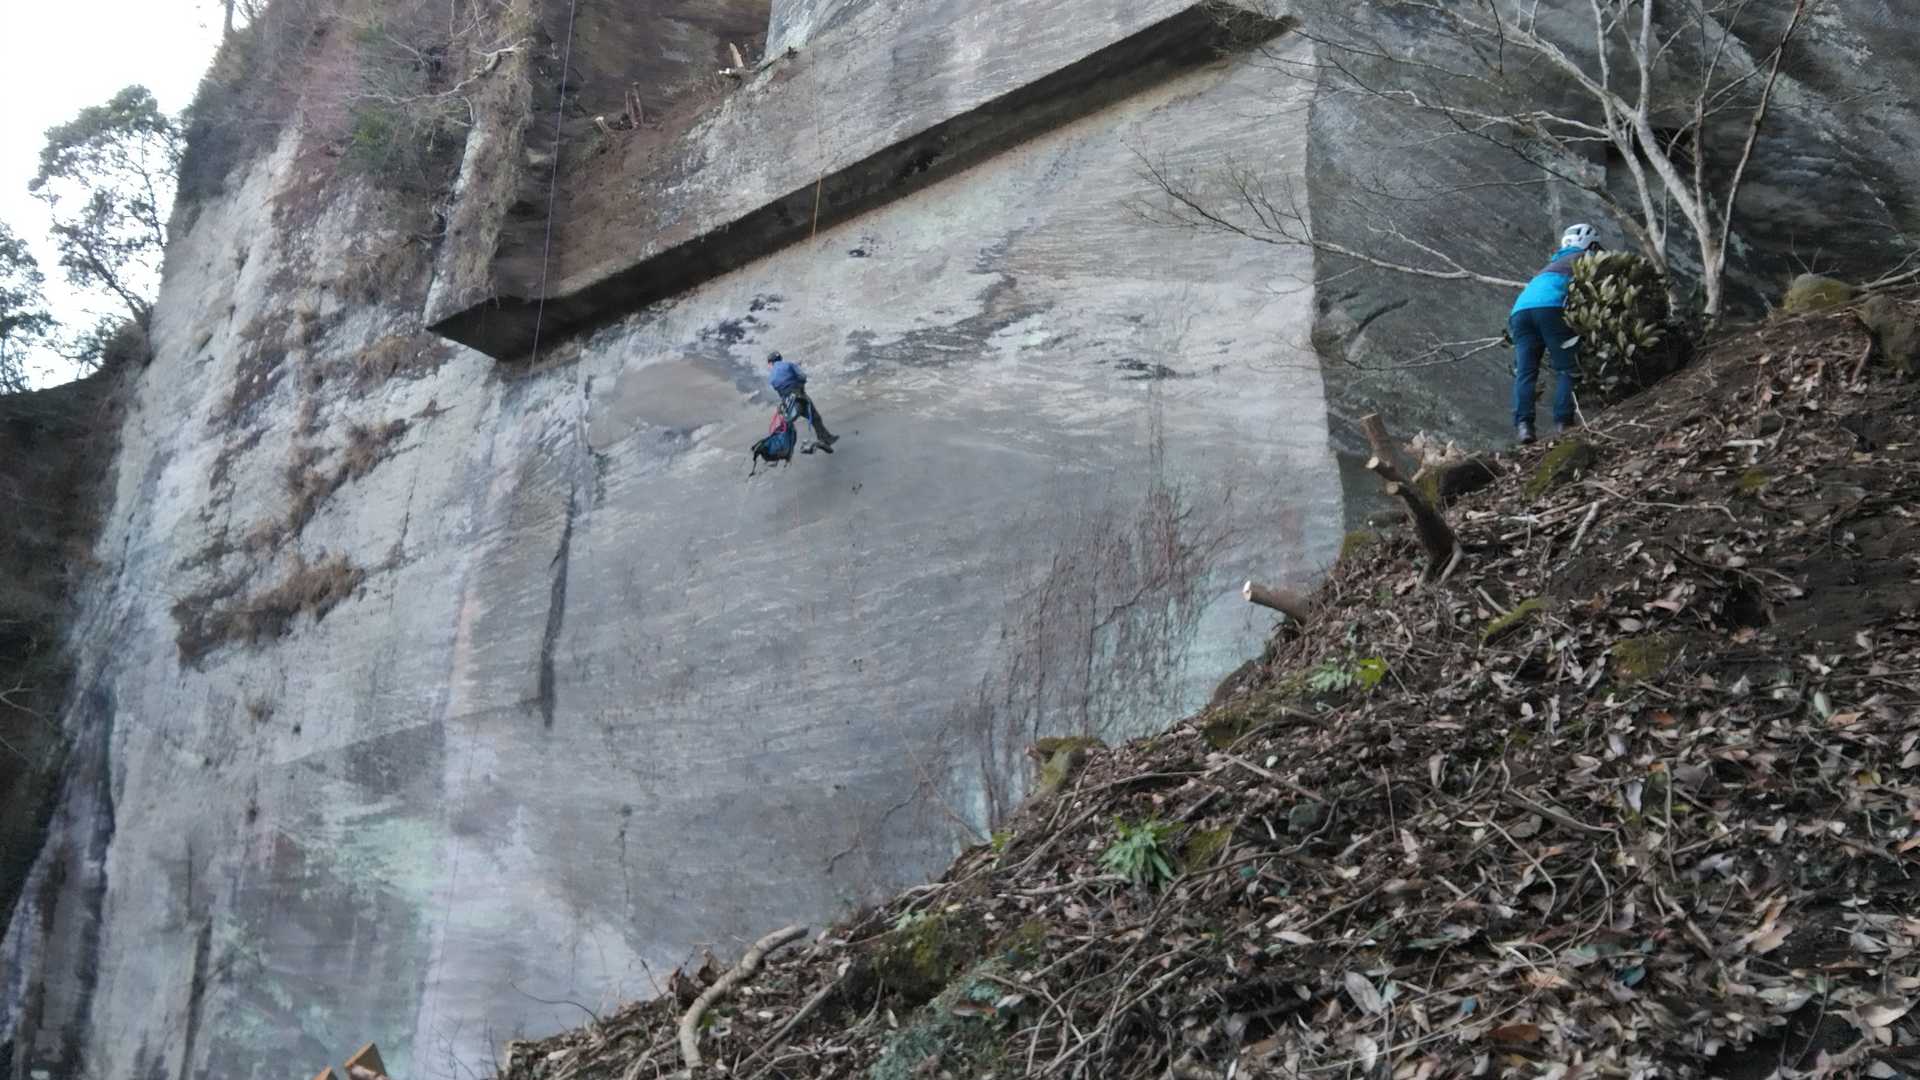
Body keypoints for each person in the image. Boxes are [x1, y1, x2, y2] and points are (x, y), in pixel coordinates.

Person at [1509, 223, 1601, 444]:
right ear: (1590, 244)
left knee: (1526, 372)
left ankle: (1524, 427)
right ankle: (1563, 424)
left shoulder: (1550, 265)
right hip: (1551, 308)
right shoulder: (1585, 258)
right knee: (1568, 368)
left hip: (1519, 313)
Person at [765, 350, 839, 453]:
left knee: (787, 425)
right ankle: (825, 439)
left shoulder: (771, 377)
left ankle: (780, 448)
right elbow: (802, 376)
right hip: (799, 398)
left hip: (788, 404)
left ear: (770, 363)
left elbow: (779, 388)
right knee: (815, 417)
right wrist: (800, 381)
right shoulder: (789, 364)